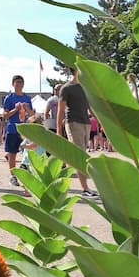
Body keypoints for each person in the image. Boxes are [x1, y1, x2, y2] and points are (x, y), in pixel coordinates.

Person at [57, 68, 97, 197]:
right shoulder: (66, 88)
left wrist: (100, 121)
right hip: (73, 123)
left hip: (86, 123)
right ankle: (85, 188)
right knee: (79, 156)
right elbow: (60, 110)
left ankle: (63, 182)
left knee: (80, 155)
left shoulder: (85, 87)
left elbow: (90, 107)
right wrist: (59, 130)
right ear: (75, 70)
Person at [2, 74, 34, 188]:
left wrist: (27, 109)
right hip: (13, 129)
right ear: (13, 84)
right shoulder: (9, 98)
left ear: (23, 84)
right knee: (12, 153)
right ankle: (13, 175)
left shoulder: (27, 98)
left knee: (28, 152)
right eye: (17, 82)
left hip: (25, 130)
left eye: (21, 82)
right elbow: (5, 115)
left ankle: (27, 174)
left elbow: (32, 115)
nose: (19, 84)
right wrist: (15, 109)